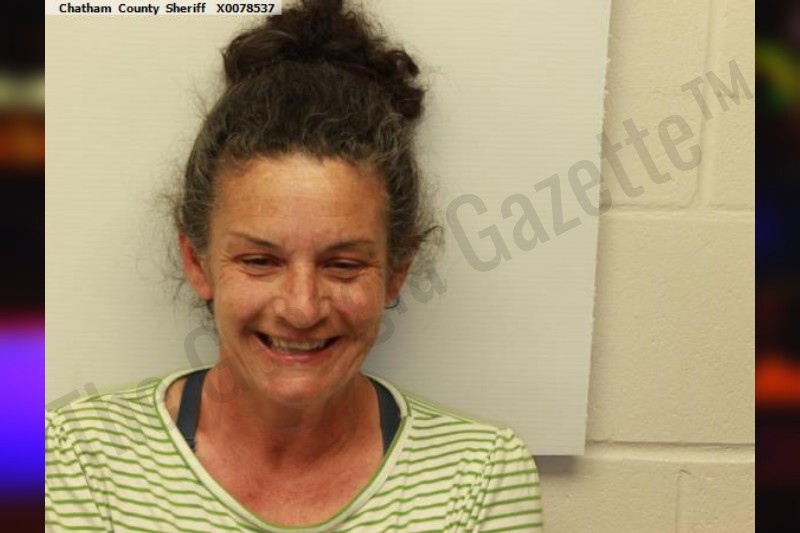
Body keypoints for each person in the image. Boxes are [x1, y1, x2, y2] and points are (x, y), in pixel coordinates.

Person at [45, 1, 543, 530]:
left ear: (397, 271)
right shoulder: (77, 459)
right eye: (261, 261)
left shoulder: (478, 474)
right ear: (198, 262)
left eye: (343, 265)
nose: (302, 308)